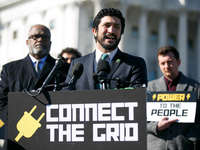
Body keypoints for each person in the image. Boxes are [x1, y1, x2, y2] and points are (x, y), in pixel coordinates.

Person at [0, 24, 69, 149]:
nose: (40, 40)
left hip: (51, 138)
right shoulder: (10, 70)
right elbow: (2, 101)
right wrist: (14, 119)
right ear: (27, 42)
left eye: (44, 37)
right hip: (17, 139)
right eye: (35, 36)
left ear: (50, 42)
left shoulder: (64, 69)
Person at [62, 7, 147, 90]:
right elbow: (65, 96)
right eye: (106, 25)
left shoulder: (135, 64)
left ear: (121, 33)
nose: (111, 31)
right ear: (95, 31)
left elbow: (137, 96)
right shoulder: (77, 65)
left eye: (116, 27)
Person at [147, 46, 200, 150]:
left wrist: (191, 139)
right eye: (162, 63)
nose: (166, 66)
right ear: (159, 65)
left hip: (183, 146)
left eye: (170, 62)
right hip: (155, 146)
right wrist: (156, 126)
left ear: (178, 62)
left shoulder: (195, 87)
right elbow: (141, 119)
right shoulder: (150, 87)